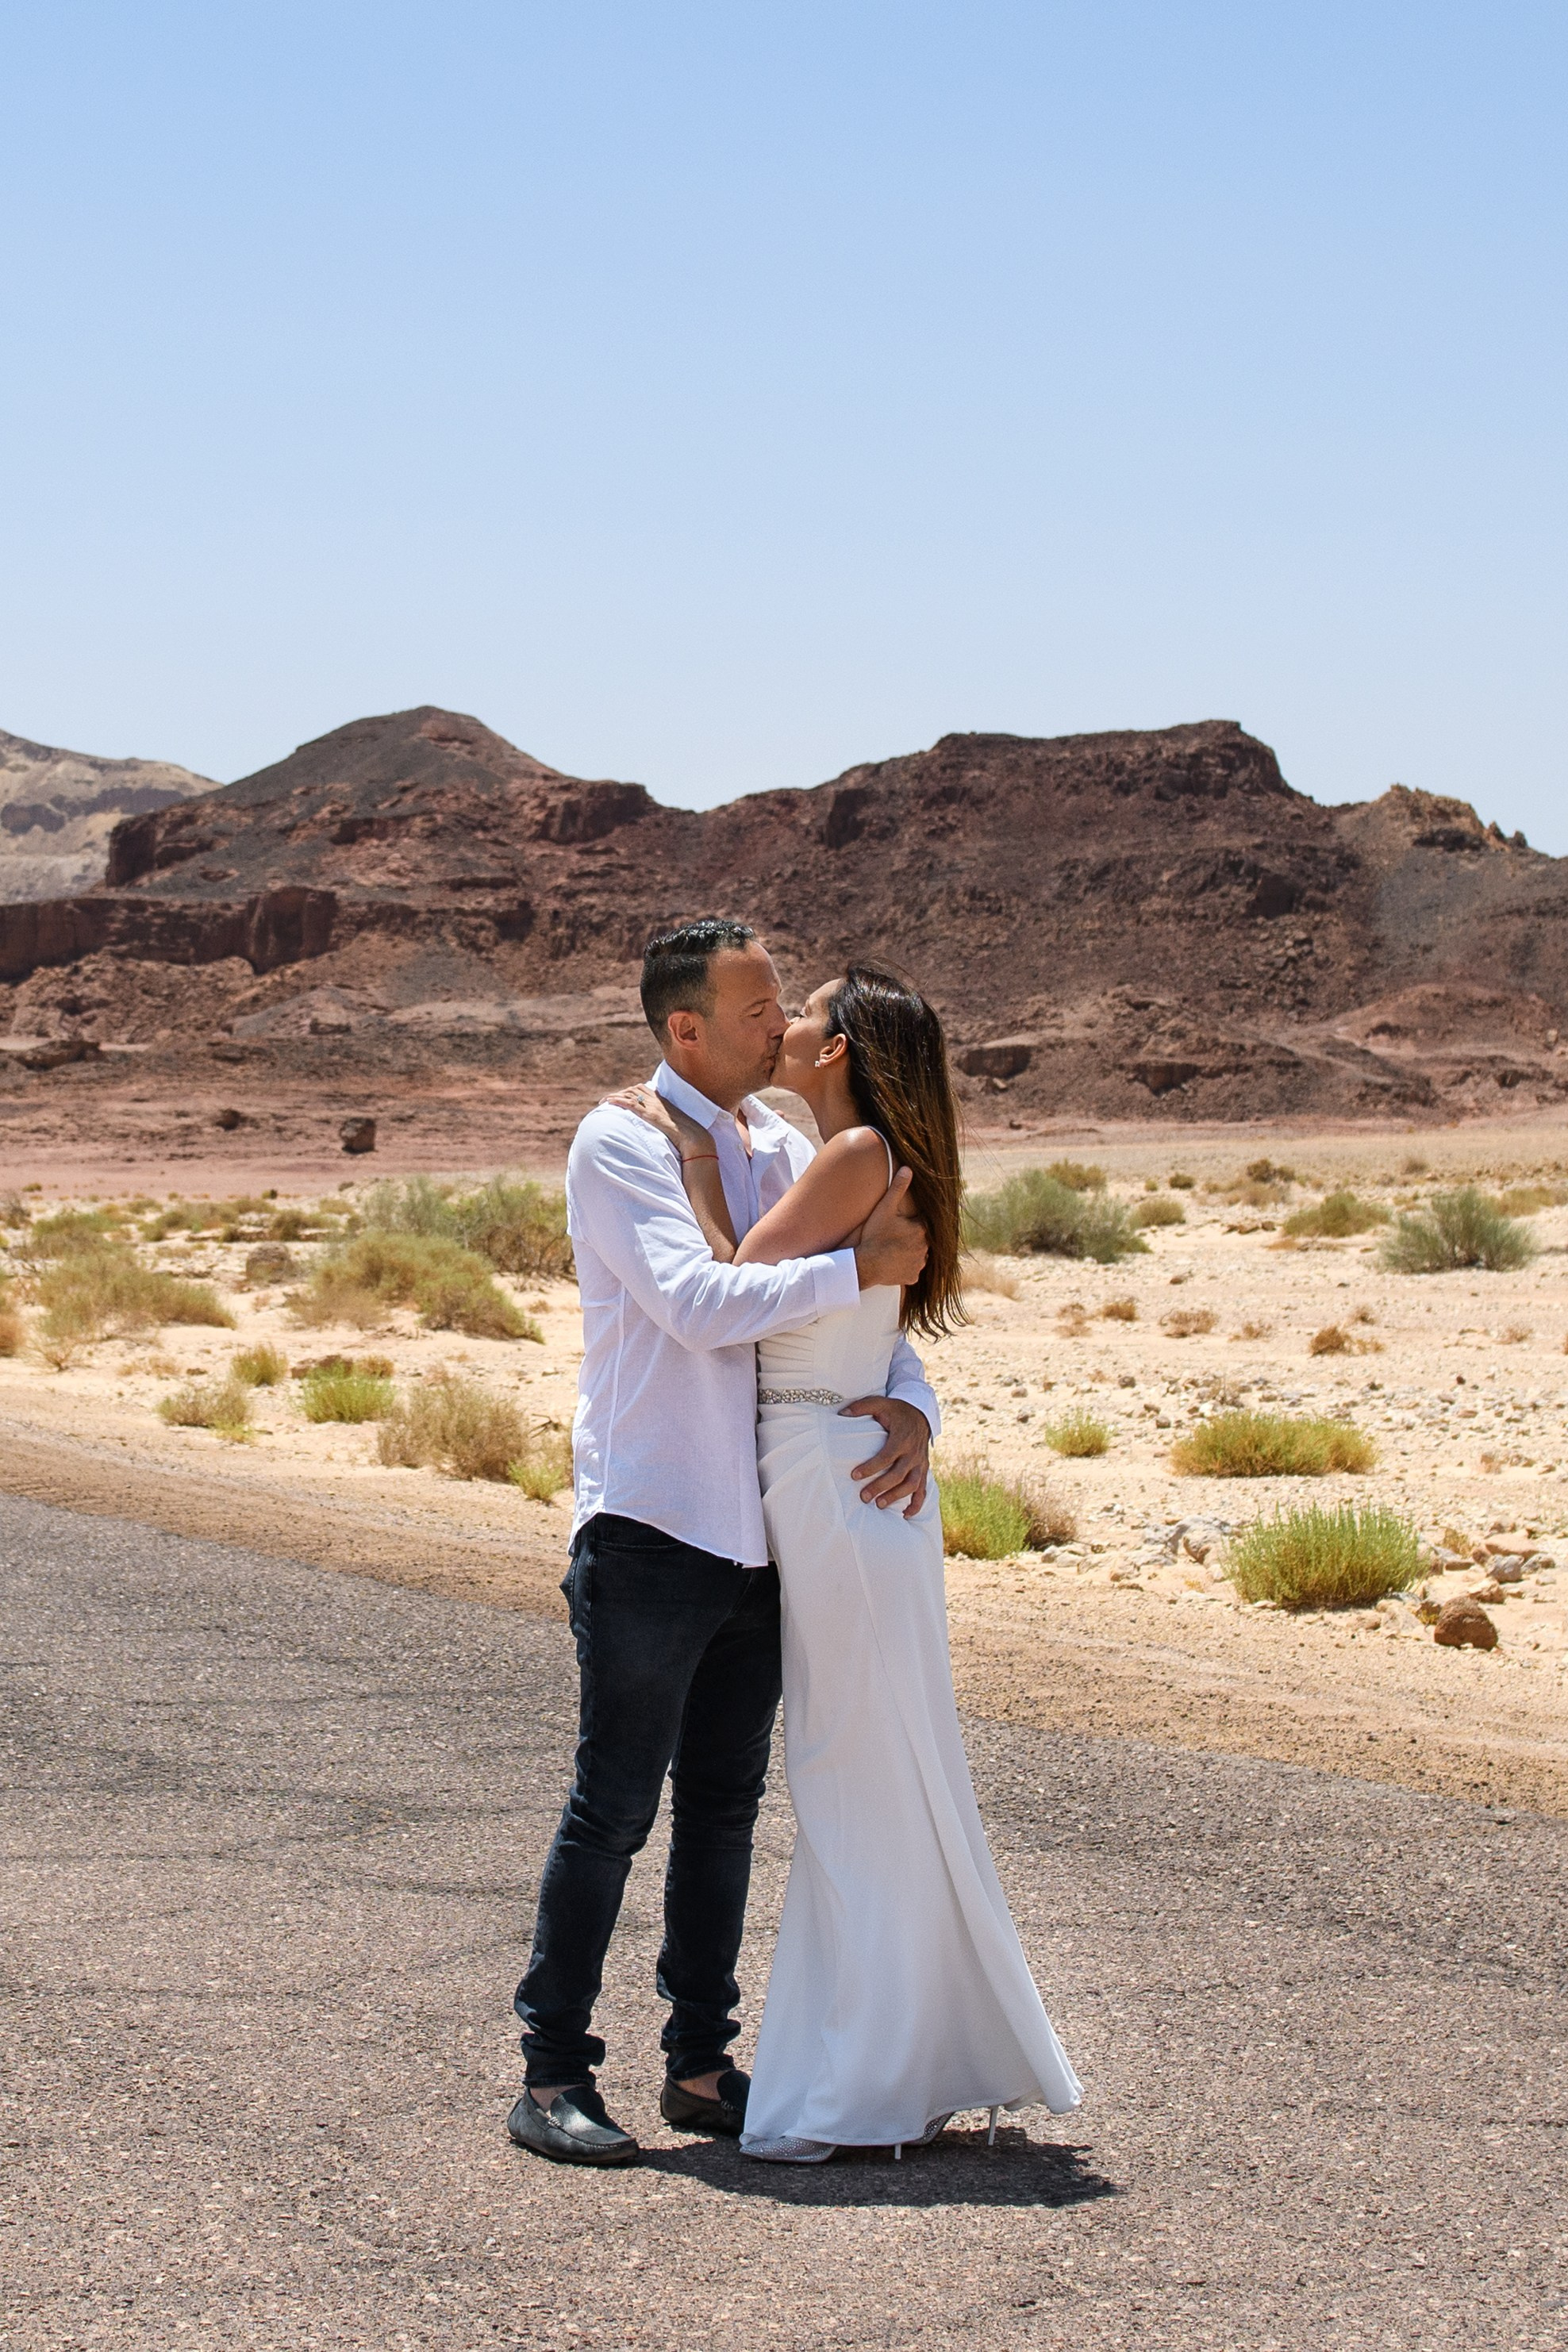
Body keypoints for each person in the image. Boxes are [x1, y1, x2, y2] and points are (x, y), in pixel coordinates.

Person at [630, 964, 1082, 2161]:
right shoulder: (854, 1154)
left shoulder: (848, 1158)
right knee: (875, 1766)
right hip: (837, 1461)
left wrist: (680, 1162)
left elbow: (732, 1288)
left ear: (839, 1052)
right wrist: (909, 1400)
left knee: (849, 1769)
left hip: (830, 1473)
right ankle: (902, 2054)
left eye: (807, 1016)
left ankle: (867, 2077)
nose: (784, 1026)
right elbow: (844, 1307)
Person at [508, 919, 936, 2166]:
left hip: (763, 1535)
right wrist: (853, 1262)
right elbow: (699, 1305)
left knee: (725, 1812)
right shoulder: (621, 1142)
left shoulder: (780, 1142)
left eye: (779, 1008)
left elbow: (851, 1327)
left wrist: (914, 1397)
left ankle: (699, 2066)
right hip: (653, 1520)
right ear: (684, 1027)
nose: (779, 1026)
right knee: (615, 1810)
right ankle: (551, 2076)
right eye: (758, 1010)